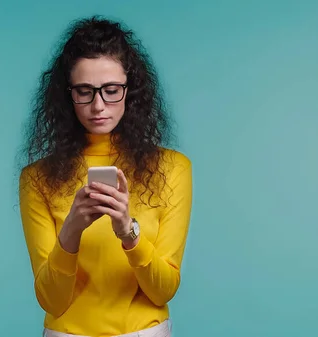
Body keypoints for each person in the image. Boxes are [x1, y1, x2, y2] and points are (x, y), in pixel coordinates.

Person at [18, 16, 193, 337]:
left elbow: (163, 291)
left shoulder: (173, 167)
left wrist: (129, 231)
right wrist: (72, 228)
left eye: (111, 90)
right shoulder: (37, 177)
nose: (98, 105)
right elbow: (50, 300)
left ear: (131, 89)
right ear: (67, 95)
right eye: (84, 91)